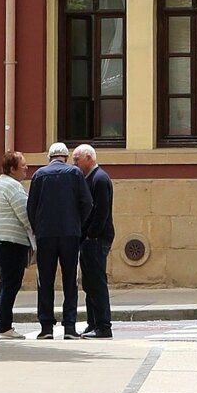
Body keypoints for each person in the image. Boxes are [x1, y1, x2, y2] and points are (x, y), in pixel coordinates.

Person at [26, 141, 92, 339]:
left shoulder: (39, 175)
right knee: (70, 280)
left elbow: (31, 207)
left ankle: (46, 327)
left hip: (46, 234)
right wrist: (78, 224)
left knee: (45, 280)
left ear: (50, 158)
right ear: (65, 157)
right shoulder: (75, 174)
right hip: (70, 233)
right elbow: (87, 202)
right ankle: (69, 327)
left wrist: (38, 228)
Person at [0, 151, 33, 339]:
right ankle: (4, 327)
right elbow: (25, 214)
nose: (26, 168)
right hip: (9, 241)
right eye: (23, 165)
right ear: (12, 169)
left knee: (6, 283)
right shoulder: (13, 186)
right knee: (11, 283)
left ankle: (3, 325)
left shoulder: (1, 183)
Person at [72, 143, 115, 339]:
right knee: (88, 283)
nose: (74, 164)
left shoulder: (100, 179)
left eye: (77, 159)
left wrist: (91, 234)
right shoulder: (89, 179)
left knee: (96, 282)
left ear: (89, 158)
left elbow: (101, 212)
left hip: (96, 239)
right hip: (89, 238)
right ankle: (92, 322)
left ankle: (103, 325)